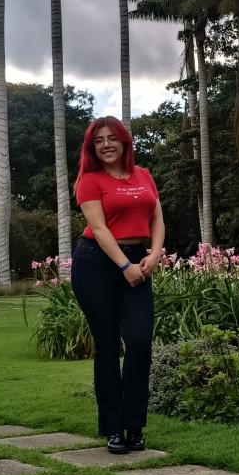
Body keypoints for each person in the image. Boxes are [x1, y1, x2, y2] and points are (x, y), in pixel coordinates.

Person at [71, 116, 165, 454]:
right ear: (92, 148)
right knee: (108, 346)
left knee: (139, 340)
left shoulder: (144, 175)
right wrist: (124, 265)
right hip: (97, 263)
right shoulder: (90, 180)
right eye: (98, 141)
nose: (106, 144)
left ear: (124, 141)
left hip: (138, 259)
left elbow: (157, 218)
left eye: (112, 138)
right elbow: (98, 228)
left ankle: (135, 424)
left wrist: (154, 254)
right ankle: (113, 427)